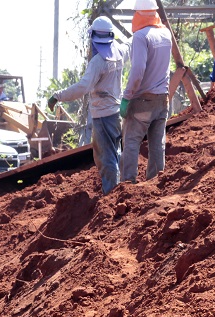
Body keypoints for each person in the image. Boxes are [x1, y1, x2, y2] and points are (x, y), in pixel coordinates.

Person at [47, 16, 129, 195]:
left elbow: (82, 87)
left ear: (93, 38)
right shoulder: (120, 52)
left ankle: (110, 193)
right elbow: (131, 44)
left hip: (102, 115)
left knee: (106, 157)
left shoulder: (98, 62)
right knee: (116, 152)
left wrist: (57, 96)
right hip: (116, 113)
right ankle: (120, 189)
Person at [119, 0, 172, 184]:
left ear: (138, 14)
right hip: (163, 99)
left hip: (143, 99)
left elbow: (138, 70)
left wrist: (126, 97)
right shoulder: (166, 34)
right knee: (157, 144)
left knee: (131, 141)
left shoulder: (140, 37)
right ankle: (156, 183)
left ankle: (128, 183)